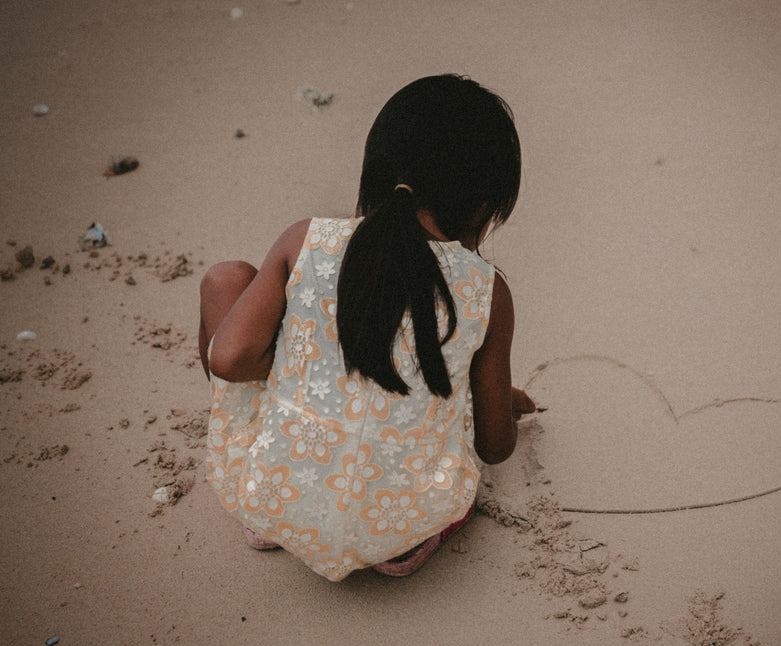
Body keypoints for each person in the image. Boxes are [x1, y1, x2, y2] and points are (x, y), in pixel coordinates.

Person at [198, 74, 535, 580]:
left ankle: (278, 515)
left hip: (273, 499)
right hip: (400, 531)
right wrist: (497, 402)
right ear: (485, 207)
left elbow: (228, 360)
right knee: (433, 408)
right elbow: (495, 446)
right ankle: (405, 550)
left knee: (227, 280)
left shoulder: (308, 239)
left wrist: (298, 363)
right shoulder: (486, 291)